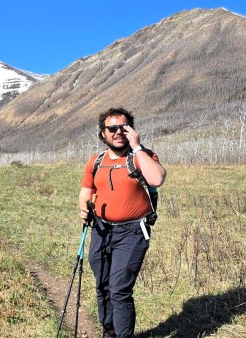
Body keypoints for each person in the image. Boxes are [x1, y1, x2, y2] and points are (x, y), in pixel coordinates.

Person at [79, 107, 166, 338]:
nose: (118, 132)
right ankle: (109, 332)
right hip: (101, 229)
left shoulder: (143, 156)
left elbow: (157, 178)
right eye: (112, 128)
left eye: (124, 127)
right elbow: (87, 188)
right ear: (103, 134)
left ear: (132, 130)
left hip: (133, 232)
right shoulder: (96, 161)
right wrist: (84, 207)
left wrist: (137, 147)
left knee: (119, 290)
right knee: (103, 287)